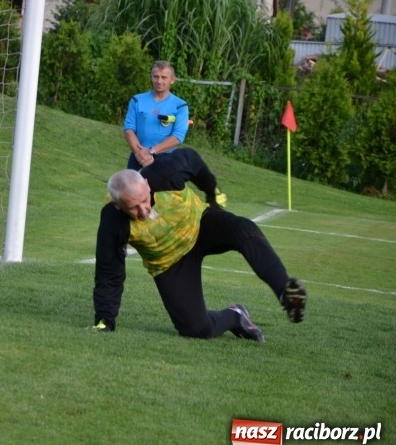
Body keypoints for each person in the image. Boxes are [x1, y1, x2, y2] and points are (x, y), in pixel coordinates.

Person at [90, 148, 307, 342]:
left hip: (201, 224)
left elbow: (191, 159)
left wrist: (211, 192)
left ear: (146, 185)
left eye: (145, 200)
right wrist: (105, 320)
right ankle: (236, 316)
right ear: (118, 206)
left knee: (243, 228)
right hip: (169, 262)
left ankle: (285, 294)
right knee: (196, 329)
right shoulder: (113, 220)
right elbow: (109, 272)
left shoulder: (165, 172)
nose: (144, 210)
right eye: (134, 208)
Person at [123, 61, 189, 170]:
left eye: (164, 77)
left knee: (161, 187)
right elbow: (128, 129)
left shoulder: (180, 106)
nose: (159, 81)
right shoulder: (137, 100)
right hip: (138, 155)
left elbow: (178, 136)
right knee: (130, 187)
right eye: (156, 77)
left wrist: (151, 151)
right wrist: (141, 155)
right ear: (151, 77)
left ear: (172, 80)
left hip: (166, 158)